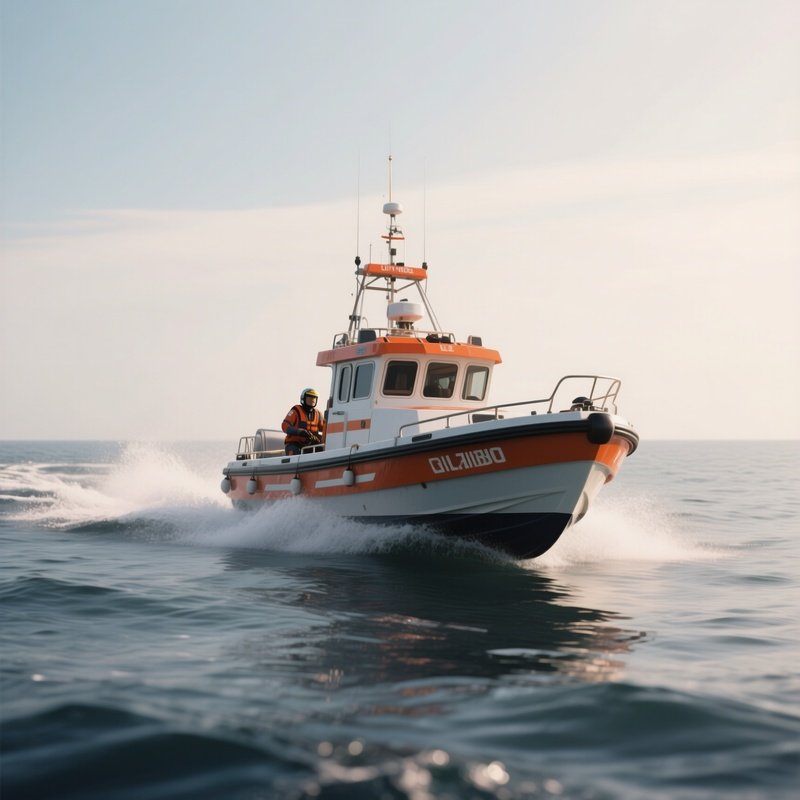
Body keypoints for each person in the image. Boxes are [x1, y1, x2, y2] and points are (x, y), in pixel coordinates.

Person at [282, 388, 326, 455]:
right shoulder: (296, 411)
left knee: (322, 449)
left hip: (310, 444)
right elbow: (284, 426)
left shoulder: (318, 414)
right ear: (303, 399)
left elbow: (325, 428)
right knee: (295, 452)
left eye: (313, 400)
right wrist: (299, 431)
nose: (311, 401)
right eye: (309, 399)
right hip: (295, 444)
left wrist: (317, 438)